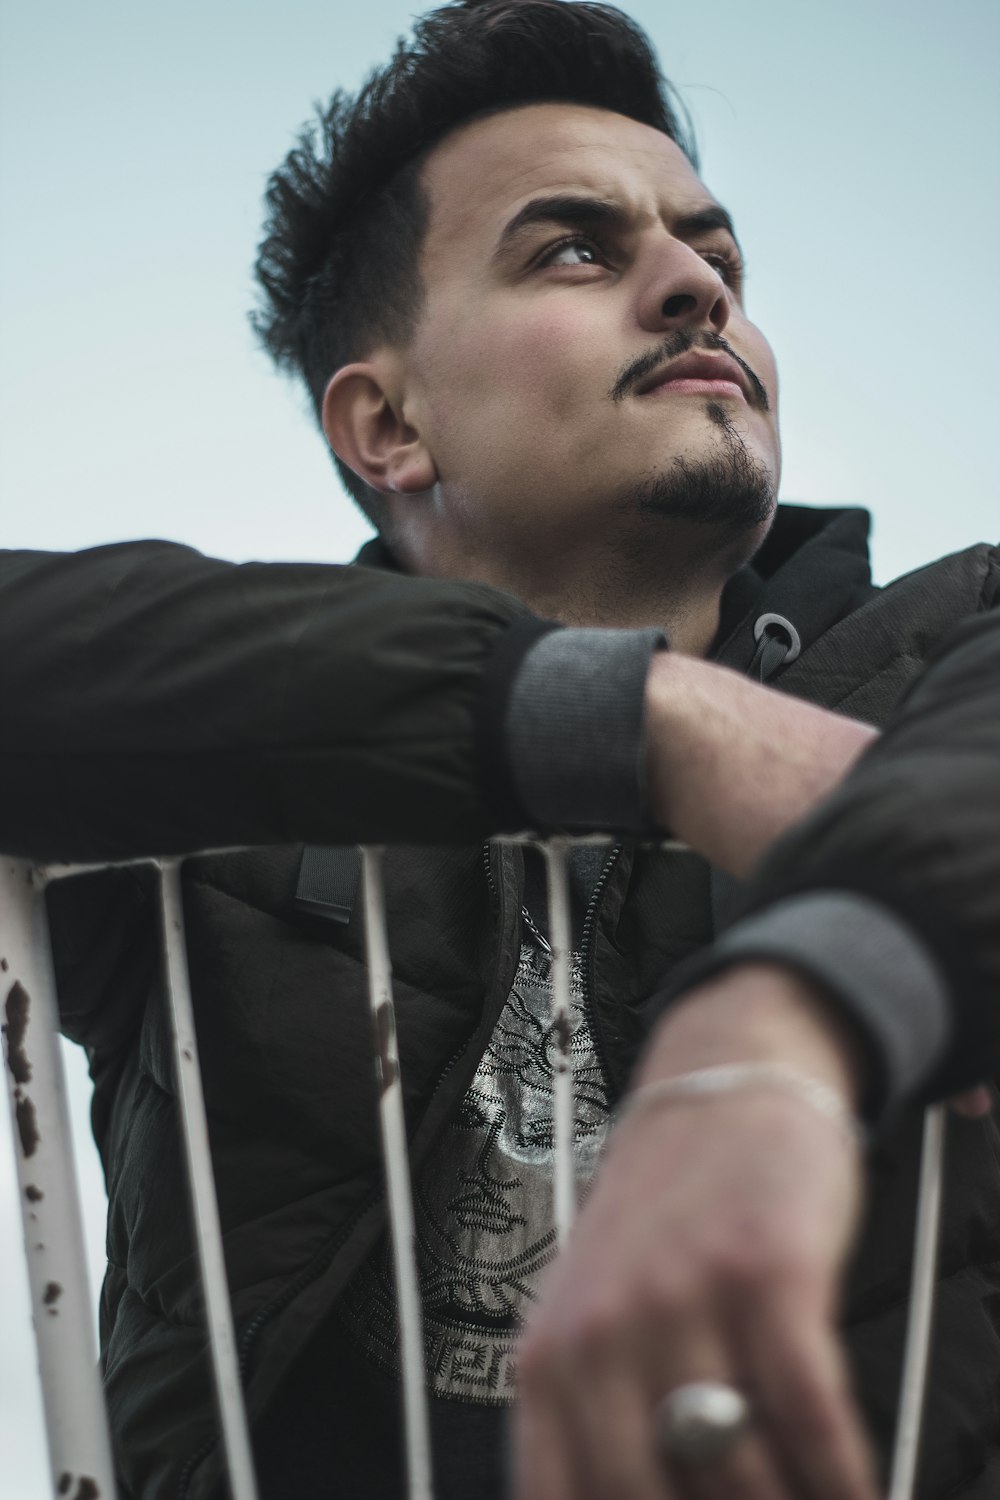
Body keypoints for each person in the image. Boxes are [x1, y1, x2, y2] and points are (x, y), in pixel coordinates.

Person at [1, 2, 997, 1497]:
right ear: (387, 422)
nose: (693, 289)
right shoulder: (225, 769)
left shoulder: (955, 652)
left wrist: (788, 1028)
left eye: (719, 258)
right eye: (576, 249)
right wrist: (620, 717)